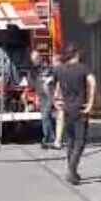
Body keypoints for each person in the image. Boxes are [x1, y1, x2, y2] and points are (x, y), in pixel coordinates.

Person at [54, 44, 96, 186]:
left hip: (67, 109)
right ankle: (72, 169)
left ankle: (72, 170)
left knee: (71, 140)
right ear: (76, 54)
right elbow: (93, 83)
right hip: (80, 108)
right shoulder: (83, 68)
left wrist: (56, 100)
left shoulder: (60, 69)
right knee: (80, 141)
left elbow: (54, 85)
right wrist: (90, 103)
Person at [29, 50, 55, 149]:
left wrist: (50, 79)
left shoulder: (47, 67)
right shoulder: (33, 70)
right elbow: (32, 81)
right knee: (47, 117)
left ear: (39, 58)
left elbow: (56, 75)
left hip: (48, 94)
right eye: (32, 60)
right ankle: (51, 137)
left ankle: (47, 138)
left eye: (35, 59)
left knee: (45, 116)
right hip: (41, 95)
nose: (34, 61)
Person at [51, 54, 64, 149]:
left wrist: (55, 95)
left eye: (53, 62)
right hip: (71, 97)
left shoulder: (57, 71)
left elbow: (56, 83)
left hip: (61, 97)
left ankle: (58, 140)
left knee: (60, 119)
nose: (52, 64)